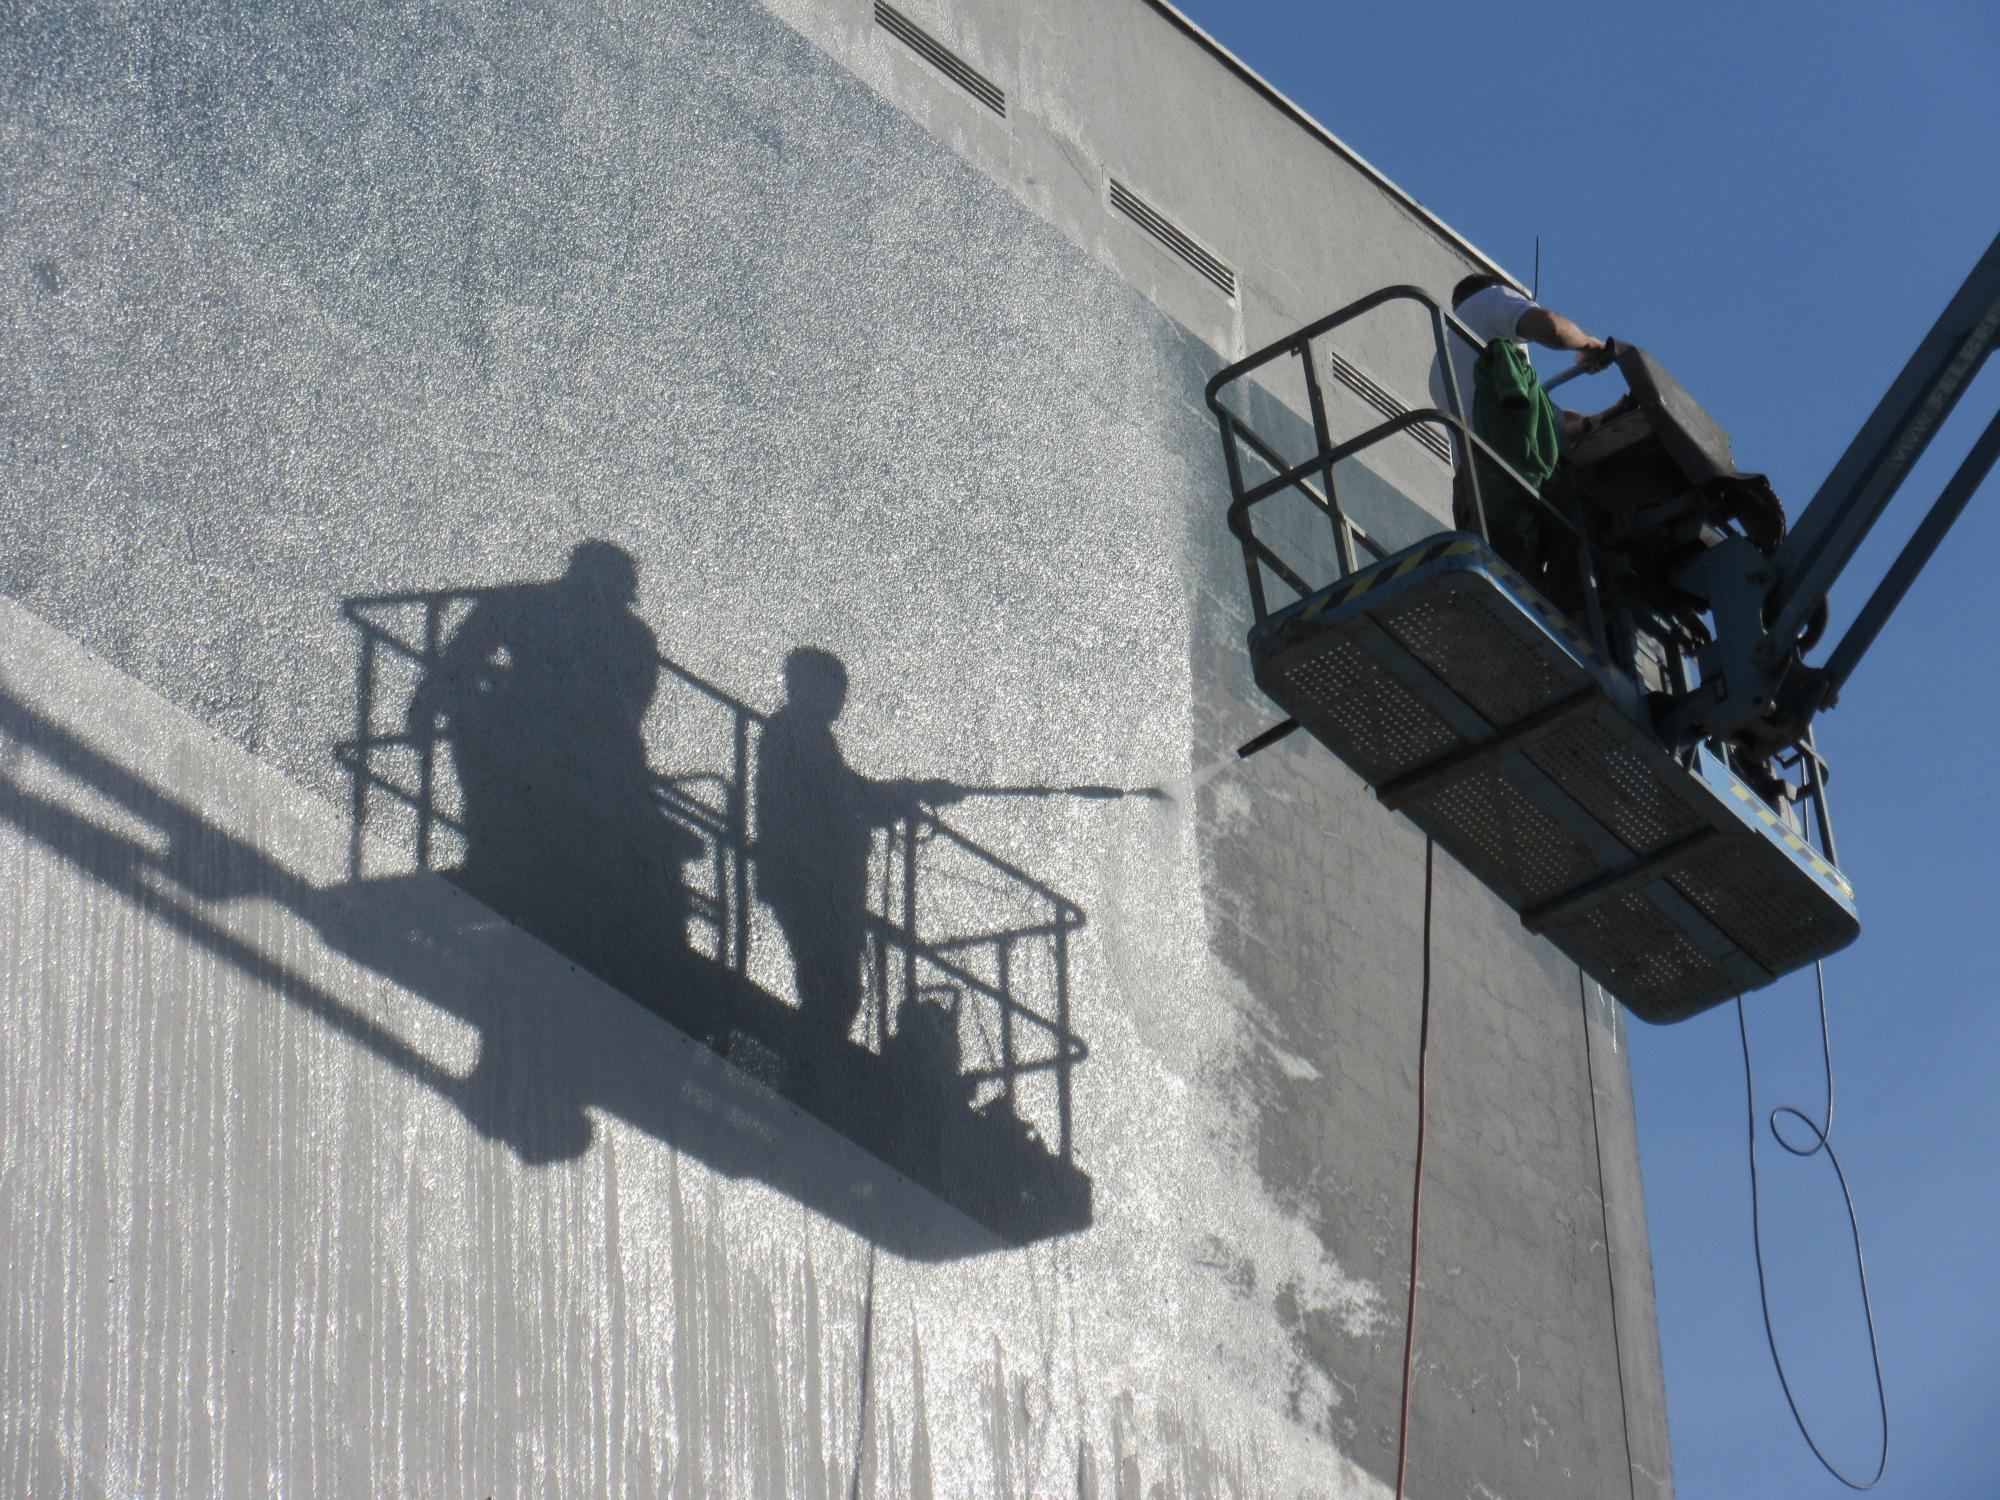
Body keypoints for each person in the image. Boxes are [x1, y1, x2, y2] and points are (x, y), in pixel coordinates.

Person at [1429, 273, 1631, 582]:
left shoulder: (1443, 360)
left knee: (1509, 587)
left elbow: (1535, 422)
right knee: (1593, 526)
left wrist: (1596, 420)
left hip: (1473, 491)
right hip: (1509, 471)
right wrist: (1589, 344)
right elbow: (1549, 325)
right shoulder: (1490, 301)